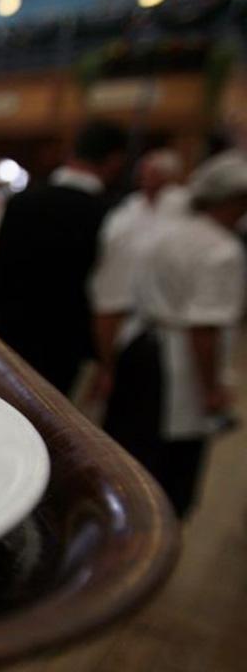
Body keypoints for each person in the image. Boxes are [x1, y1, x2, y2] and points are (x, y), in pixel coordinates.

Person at [102, 152, 247, 517]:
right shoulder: (221, 249)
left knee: (124, 449)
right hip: (175, 365)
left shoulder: (168, 232)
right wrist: (213, 388)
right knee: (166, 469)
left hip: (138, 346)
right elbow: (204, 328)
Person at [0, 120, 128, 394]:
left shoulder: (16, 202)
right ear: (115, 161)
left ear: (71, 154)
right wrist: (107, 366)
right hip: (61, 353)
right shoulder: (111, 217)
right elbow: (107, 306)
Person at [89, 147, 190, 397]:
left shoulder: (184, 212)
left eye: (157, 175)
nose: (149, 180)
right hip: (122, 312)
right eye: (145, 175)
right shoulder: (128, 211)